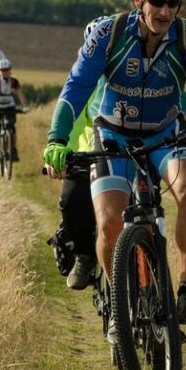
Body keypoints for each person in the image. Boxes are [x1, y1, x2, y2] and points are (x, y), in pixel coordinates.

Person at [42, 0, 186, 330]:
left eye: (174, 2)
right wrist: (56, 139)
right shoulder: (109, 33)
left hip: (167, 132)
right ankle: (117, 303)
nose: (165, 9)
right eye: (157, 0)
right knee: (110, 225)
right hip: (113, 133)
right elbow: (76, 88)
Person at [50, 16, 108, 291]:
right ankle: (84, 257)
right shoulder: (82, 85)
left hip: (124, 153)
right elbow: (71, 124)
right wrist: (63, 154)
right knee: (71, 200)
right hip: (86, 156)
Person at [0, 58, 28, 161]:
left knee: (12, 128)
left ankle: (13, 150)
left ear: (10, 70)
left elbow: (20, 95)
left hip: (9, 107)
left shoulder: (14, 82)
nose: (5, 72)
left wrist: (25, 106)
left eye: (7, 70)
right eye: (2, 70)